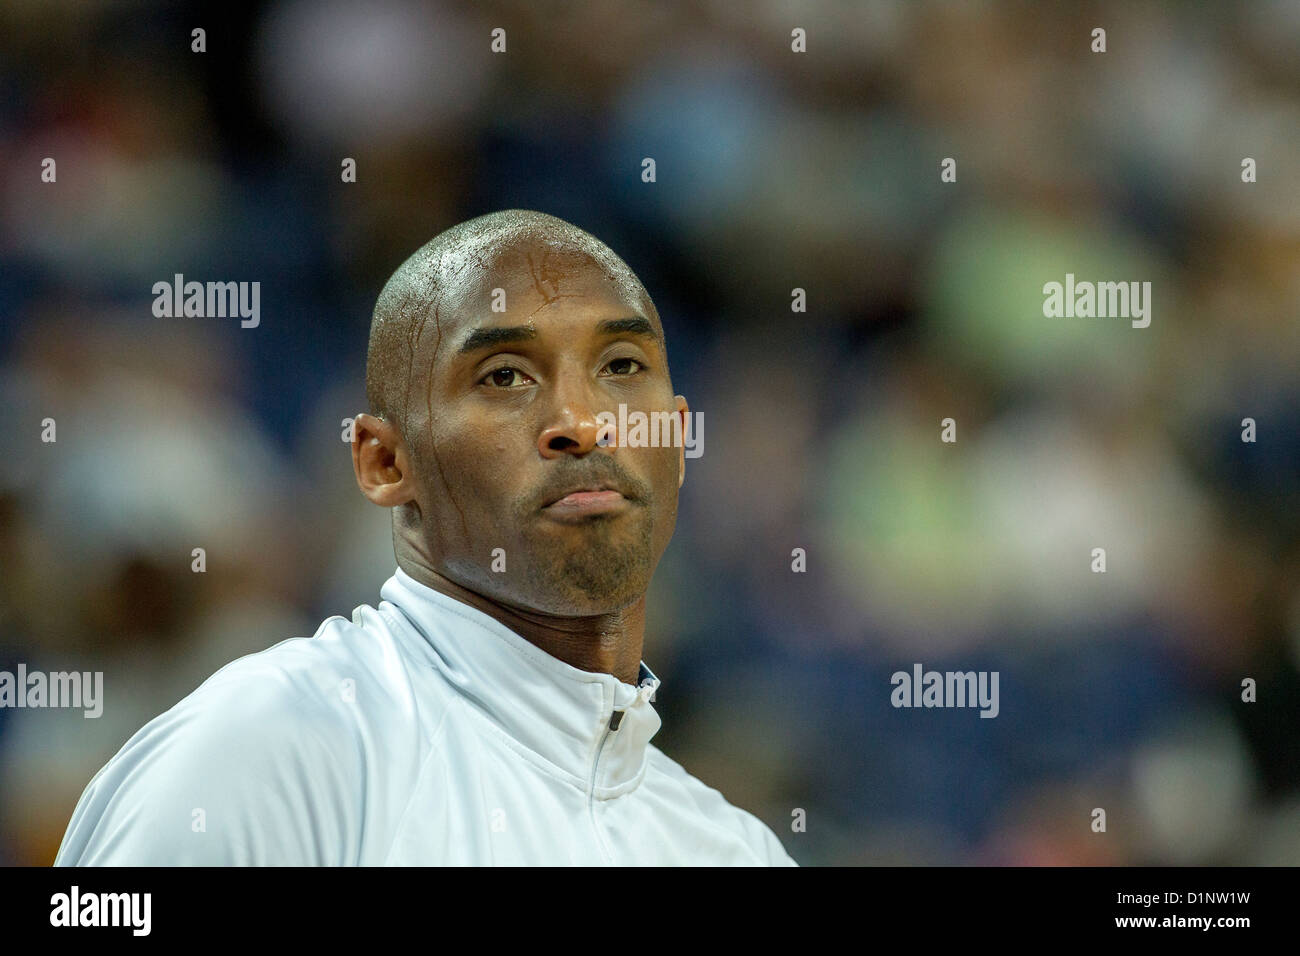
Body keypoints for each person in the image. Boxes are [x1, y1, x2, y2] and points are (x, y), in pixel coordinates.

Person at [54, 209, 798, 865]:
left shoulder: (735, 850)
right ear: (385, 461)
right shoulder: (265, 755)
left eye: (623, 365)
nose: (584, 421)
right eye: (505, 376)